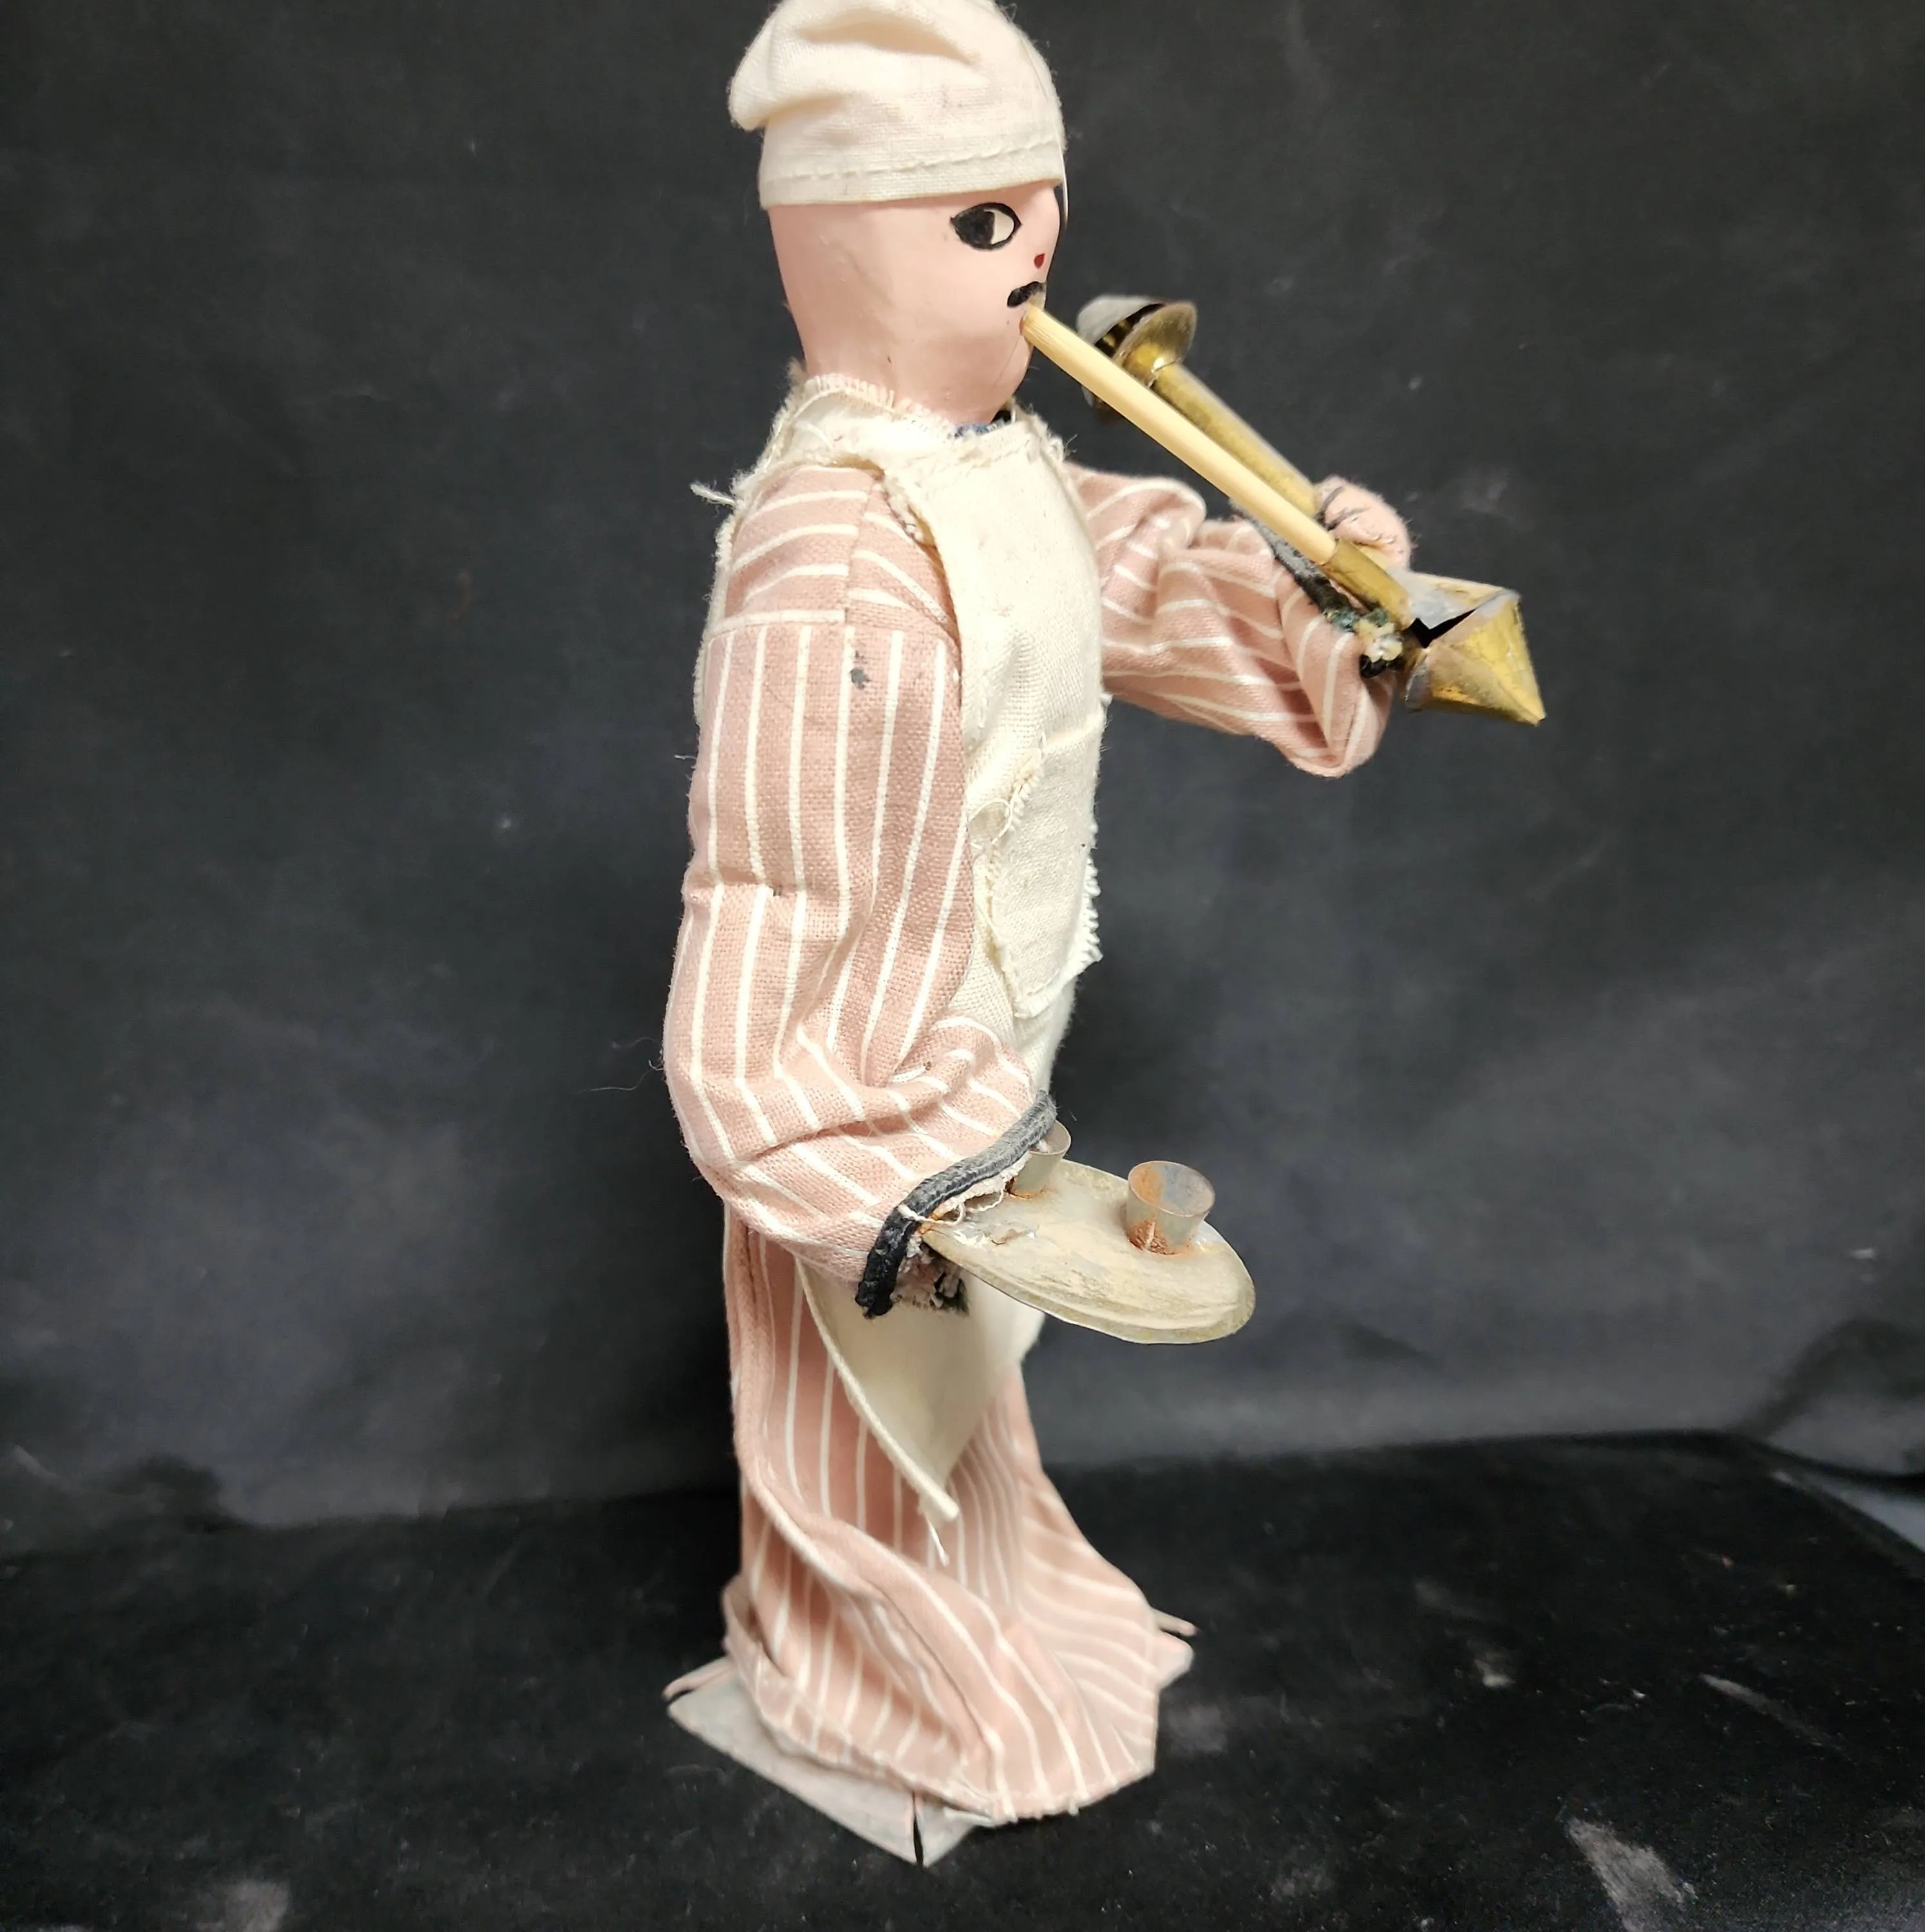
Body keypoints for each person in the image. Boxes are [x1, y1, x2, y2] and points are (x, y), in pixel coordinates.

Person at [661, 0, 1412, 1861]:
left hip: (986, 1040)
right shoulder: (834, 549)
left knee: (955, 1404)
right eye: (981, 224)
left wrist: (1323, 601)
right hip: (862, 1096)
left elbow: (1118, 573)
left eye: (1042, 222)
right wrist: (870, 1155)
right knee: (860, 1415)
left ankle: (969, 1626)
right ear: (839, 239)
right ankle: (863, 1679)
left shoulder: (992, 467)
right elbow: (774, 895)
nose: (1035, 267)